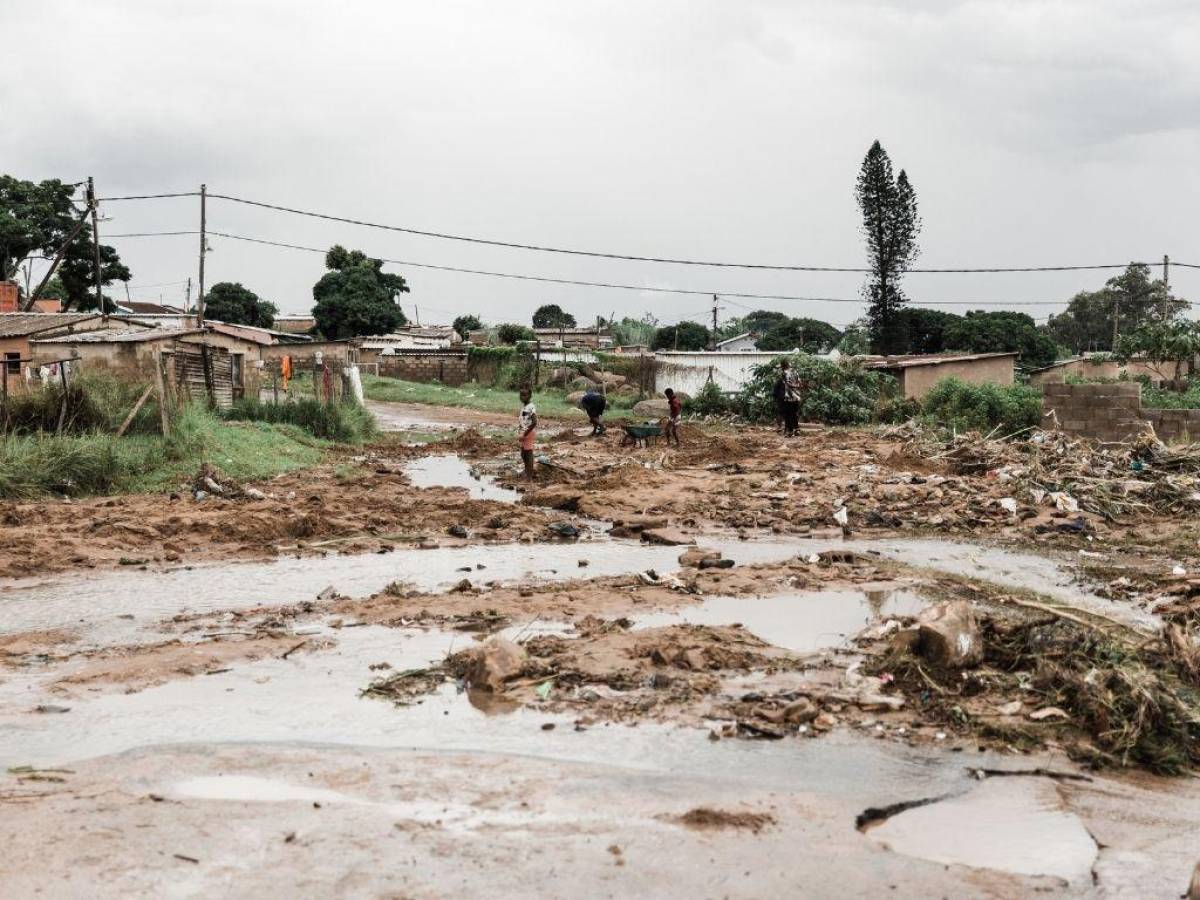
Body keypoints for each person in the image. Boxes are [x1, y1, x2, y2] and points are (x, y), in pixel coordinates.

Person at [517, 387, 538, 479]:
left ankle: (529, 473)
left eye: (525, 395)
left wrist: (525, 434)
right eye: (521, 395)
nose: (522, 397)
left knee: (528, 453)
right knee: (523, 453)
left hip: (528, 432)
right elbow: (524, 419)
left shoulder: (531, 407)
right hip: (524, 432)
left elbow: (534, 422)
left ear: (530, 396)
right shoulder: (525, 407)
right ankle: (527, 469)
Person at [779, 359, 801, 436]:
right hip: (797, 396)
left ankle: (790, 431)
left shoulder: (784, 373)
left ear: (783, 366)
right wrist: (796, 387)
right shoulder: (795, 372)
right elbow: (799, 383)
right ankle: (797, 430)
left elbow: (786, 384)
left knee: (788, 414)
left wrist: (791, 386)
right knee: (794, 413)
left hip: (789, 397)